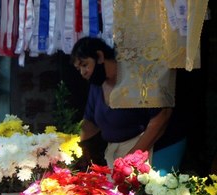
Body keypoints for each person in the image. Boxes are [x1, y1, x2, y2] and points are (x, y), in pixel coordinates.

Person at [71, 37, 186, 170]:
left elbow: (161, 117)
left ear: (100, 57)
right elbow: (89, 123)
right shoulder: (96, 85)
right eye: (78, 68)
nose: (82, 72)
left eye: (84, 65)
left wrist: (131, 158)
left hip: (156, 147)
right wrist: (74, 150)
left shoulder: (137, 75)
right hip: (118, 156)